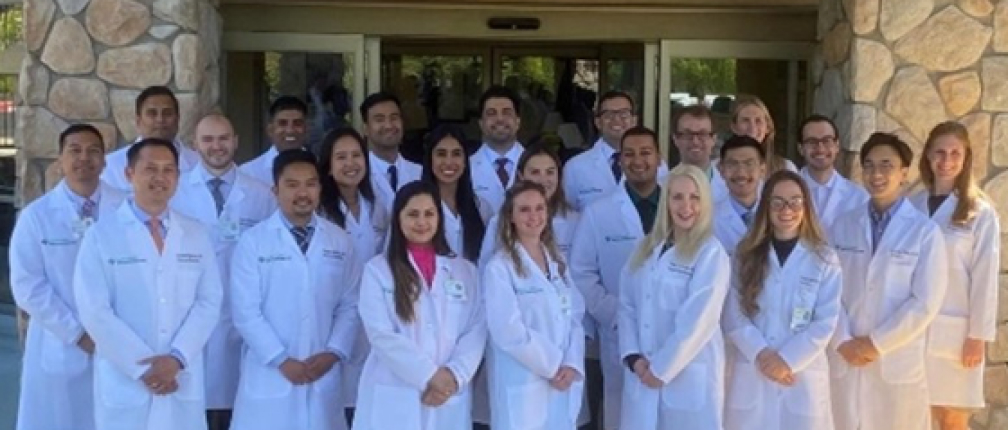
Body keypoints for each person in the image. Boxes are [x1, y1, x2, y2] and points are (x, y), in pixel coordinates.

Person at [73, 138, 223, 430]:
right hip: (127, 379)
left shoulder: (195, 233)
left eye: (169, 170)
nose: (160, 177)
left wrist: (177, 359)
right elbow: (95, 311)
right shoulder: (102, 236)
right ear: (129, 174)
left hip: (181, 373)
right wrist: (145, 368)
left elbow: (209, 301)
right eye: (150, 168)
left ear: (178, 177)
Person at [229, 149, 361, 430]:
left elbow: (350, 304)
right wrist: (281, 359)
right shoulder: (253, 242)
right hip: (271, 374)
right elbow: (245, 312)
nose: (303, 193)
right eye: (292, 185)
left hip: (322, 370)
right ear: (275, 190)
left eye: (310, 184)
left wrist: (333, 353)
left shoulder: (339, 241)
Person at [10, 124, 127, 430]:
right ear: (60, 160)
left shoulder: (128, 208)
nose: (84, 158)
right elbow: (28, 286)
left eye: (93, 151)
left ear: (105, 161)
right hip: (59, 345)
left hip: (119, 343)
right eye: (74, 150)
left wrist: (110, 331)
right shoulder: (37, 216)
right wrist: (78, 333)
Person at [829, 132, 948, 430]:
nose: (876, 174)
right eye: (868, 165)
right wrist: (842, 339)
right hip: (846, 357)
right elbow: (827, 289)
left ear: (904, 173)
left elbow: (925, 302)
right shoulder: (843, 225)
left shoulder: (925, 232)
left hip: (895, 359)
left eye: (886, 165)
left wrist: (876, 344)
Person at [169, 114, 276, 430]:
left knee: (241, 412)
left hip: (246, 318)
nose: (217, 146)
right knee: (196, 411)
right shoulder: (176, 194)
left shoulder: (261, 195)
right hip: (191, 318)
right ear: (194, 145)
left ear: (236, 141)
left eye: (224, 138)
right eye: (208, 139)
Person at [353, 181, 487, 430]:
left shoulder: (464, 270)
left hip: (448, 392)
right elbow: (381, 334)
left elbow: (476, 328)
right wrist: (429, 376)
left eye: (429, 213)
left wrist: (453, 375)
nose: (421, 222)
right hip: (396, 390)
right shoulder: (377, 270)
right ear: (398, 219)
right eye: (412, 214)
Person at [722, 170, 841, 430]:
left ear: (806, 206)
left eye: (795, 201)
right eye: (778, 202)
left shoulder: (824, 258)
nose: (786, 209)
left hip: (801, 373)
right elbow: (732, 314)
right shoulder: (745, 254)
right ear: (766, 207)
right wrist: (763, 355)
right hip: (754, 368)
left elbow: (826, 321)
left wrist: (787, 360)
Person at [617, 164, 730, 430]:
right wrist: (634, 357)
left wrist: (661, 369)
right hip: (642, 373)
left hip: (686, 377)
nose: (685, 206)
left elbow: (698, 321)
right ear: (666, 201)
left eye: (694, 197)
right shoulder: (645, 248)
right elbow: (627, 305)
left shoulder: (711, 253)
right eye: (677, 197)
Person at [569, 125, 664, 430]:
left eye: (646, 152)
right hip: (620, 335)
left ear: (659, 158)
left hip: (671, 333)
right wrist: (617, 313)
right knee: (624, 416)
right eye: (630, 154)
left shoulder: (679, 207)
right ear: (620, 161)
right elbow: (581, 273)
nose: (638, 161)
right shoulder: (599, 212)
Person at [909, 122, 1000, 430]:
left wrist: (978, 336)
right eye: (939, 152)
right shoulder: (912, 206)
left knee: (952, 418)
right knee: (918, 412)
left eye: (954, 154)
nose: (946, 161)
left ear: (966, 159)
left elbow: (985, 278)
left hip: (957, 333)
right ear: (928, 157)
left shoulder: (980, 212)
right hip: (915, 328)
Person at [483, 181, 586, 430]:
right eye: (525, 210)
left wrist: (571, 363)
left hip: (562, 379)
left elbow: (575, 314)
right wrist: (552, 366)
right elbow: (507, 331)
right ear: (511, 216)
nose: (534, 216)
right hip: (524, 380)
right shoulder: (499, 267)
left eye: (540, 208)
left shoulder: (556, 261)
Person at [316, 127, 391, 421]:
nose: (351, 164)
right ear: (329, 166)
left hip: (373, 314)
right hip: (330, 314)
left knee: (367, 402)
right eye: (341, 157)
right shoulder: (320, 211)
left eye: (356, 155)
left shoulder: (377, 206)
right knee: (334, 401)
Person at [563, 91, 668, 211]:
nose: (617, 120)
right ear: (597, 122)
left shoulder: (656, 165)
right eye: (609, 115)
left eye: (624, 114)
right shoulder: (575, 167)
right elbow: (568, 217)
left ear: (634, 120)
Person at [480, 144, 579, 268]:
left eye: (550, 172)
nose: (543, 179)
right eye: (535, 172)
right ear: (521, 176)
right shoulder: (499, 222)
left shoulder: (575, 221)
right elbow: (486, 268)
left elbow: (581, 270)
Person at [101, 86, 200, 191]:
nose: (160, 119)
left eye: (167, 113)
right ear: (138, 120)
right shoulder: (112, 166)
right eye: (152, 113)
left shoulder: (197, 163)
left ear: (177, 119)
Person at [421, 125, 492, 263]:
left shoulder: (481, 207)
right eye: (441, 154)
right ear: (430, 159)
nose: (449, 162)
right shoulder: (414, 206)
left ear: (466, 160)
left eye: (456, 154)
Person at [796, 114, 868, 233]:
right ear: (800, 149)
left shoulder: (859, 197)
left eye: (827, 140)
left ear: (837, 146)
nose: (820, 148)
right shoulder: (783, 192)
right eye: (812, 141)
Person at [361, 92, 423, 212]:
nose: (389, 125)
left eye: (394, 118)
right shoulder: (358, 175)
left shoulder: (420, 173)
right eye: (379, 119)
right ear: (366, 129)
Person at [470, 85, 526, 212]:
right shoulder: (466, 168)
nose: (500, 119)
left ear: (518, 121)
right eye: (491, 113)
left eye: (507, 112)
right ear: (481, 124)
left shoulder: (535, 166)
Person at [713, 135, 767, 256]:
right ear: (721, 170)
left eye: (749, 164)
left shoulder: (777, 214)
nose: (741, 173)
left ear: (762, 170)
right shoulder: (708, 218)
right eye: (732, 164)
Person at [240, 96, 309, 186]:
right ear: (270, 130)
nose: (290, 130)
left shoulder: (319, 168)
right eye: (282, 123)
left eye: (297, 123)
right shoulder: (248, 174)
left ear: (306, 129)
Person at [671, 105, 728, 202]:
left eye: (702, 134)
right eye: (687, 134)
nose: (695, 141)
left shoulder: (729, 187)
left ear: (714, 139)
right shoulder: (662, 185)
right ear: (675, 139)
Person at [728, 95, 796, 175]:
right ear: (734, 127)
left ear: (767, 127)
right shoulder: (716, 168)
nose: (752, 128)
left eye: (758, 121)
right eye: (745, 120)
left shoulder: (786, 168)